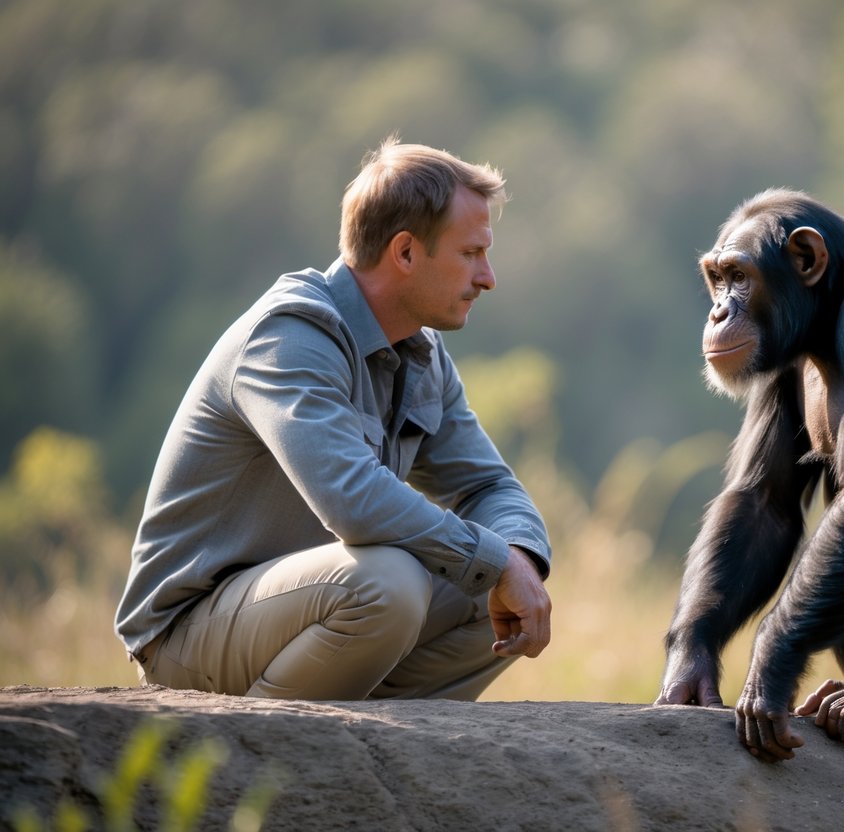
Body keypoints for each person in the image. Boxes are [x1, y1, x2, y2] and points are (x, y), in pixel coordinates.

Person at [114, 138, 552, 701]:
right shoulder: (288, 336)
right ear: (405, 252)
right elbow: (354, 500)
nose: (487, 277)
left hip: (314, 610)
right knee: (390, 585)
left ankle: (379, 748)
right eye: (471, 253)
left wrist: (518, 558)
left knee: (489, 594)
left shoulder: (422, 353)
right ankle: (259, 747)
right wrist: (491, 560)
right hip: (188, 632)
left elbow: (487, 485)